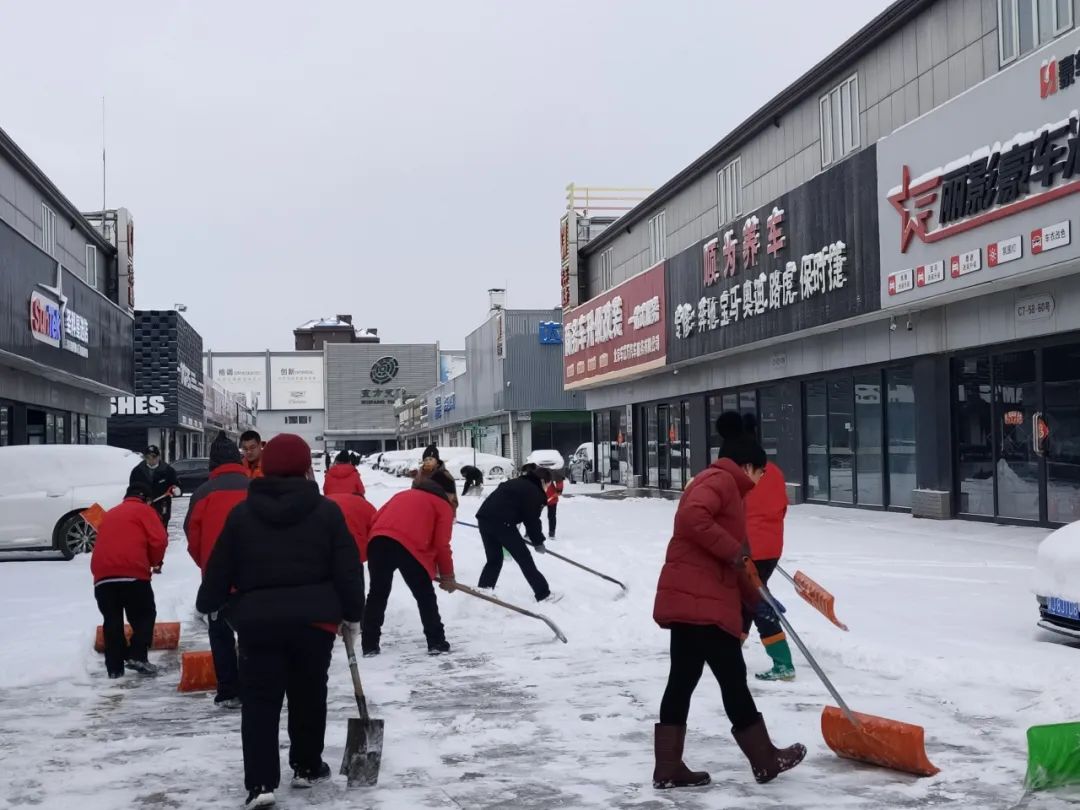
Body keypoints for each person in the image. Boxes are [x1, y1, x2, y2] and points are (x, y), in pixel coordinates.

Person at [196, 434, 365, 810]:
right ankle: (306, 766)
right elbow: (348, 569)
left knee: (259, 701)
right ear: (307, 467)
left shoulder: (242, 513)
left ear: (266, 466)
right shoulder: (326, 512)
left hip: (257, 624)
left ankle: (260, 784)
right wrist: (353, 615)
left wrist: (208, 603)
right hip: (314, 625)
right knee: (308, 694)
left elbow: (220, 565)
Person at [652, 420, 805, 788]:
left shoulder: (726, 489)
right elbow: (692, 518)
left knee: (683, 680)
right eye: (761, 472)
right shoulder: (719, 481)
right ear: (747, 466)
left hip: (694, 598)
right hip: (702, 602)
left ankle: (668, 768)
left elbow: (732, 559)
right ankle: (764, 758)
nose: (761, 479)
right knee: (732, 680)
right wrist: (735, 552)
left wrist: (755, 598)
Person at [721, 413, 795, 682]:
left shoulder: (739, 473)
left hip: (748, 548)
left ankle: (783, 662)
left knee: (757, 603)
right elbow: (782, 507)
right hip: (772, 547)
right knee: (746, 600)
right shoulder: (773, 471)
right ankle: (728, 654)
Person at [184, 431, 251, 708]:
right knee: (251, 636)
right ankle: (251, 688)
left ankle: (228, 691)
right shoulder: (254, 487)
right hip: (254, 578)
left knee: (219, 632)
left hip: (217, 580)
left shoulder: (202, 493)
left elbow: (192, 535)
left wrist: (208, 567)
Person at [361, 469, 458, 657]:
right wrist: (448, 575)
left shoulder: (402, 494)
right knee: (424, 595)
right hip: (409, 547)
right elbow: (441, 544)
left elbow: (375, 519)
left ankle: (369, 645)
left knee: (377, 593)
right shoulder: (442, 505)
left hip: (378, 541)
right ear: (447, 492)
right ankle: (436, 642)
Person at [91, 482, 168, 678]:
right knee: (144, 615)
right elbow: (159, 540)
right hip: (132, 574)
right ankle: (137, 655)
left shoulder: (110, 514)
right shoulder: (144, 510)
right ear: (147, 499)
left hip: (102, 576)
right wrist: (155, 562)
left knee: (112, 620)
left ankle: (114, 669)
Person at [475, 464, 558, 602]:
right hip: (503, 524)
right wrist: (538, 542)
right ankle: (543, 594)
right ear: (543, 481)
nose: (547, 488)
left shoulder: (518, 482)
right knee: (524, 558)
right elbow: (532, 520)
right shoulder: (534, 491)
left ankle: (483, 592)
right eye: (548, 485)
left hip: (484, 519)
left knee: (494, 559)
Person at [129, 445, 180, 528]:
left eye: (154, 457)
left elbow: (176, 485)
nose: (151, 460)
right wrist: (141, 498)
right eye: (148, 457)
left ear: (159, 457)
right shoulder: (137, 471)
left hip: (162, 507)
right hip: (143, 507)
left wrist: (176, 490)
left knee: (161, 531)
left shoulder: (168, 471)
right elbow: (132, 489)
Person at [325, 489, 377, 562]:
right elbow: (376, 529)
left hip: (320, 547)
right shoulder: (366, 506)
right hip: (352, 549)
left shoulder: (325, 500)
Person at [545, 469, 565, 540]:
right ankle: (551, 533)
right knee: (551, 515)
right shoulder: (553, 469)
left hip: (539, 496)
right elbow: (559, 480)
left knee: (533, 516)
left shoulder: (535, 468)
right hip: (551, 495)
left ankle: (529, 533)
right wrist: (559, 490)